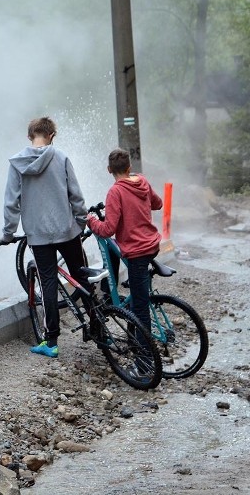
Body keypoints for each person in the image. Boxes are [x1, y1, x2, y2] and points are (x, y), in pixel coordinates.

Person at [0, 116, 89, 358]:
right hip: (68, 231)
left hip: (38, 236)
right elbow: (76, 196)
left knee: (48, 284)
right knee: (82, 277)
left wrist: (8, 233)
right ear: (51, 136)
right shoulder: (61, 158)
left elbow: (11, 203)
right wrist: (80, 222)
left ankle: (51, 343)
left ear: (30, 136)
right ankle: (98, 329)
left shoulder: (17, 163)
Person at [86, 148, 162, 373]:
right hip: (152, 245)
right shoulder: (142, 181)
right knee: (139, 295)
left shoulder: (115, 192)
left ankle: (144, 363)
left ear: (109, 170)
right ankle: (133, 320)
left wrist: (90, 221)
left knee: (140, 310)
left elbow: (108, 229)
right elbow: (157, 204)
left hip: (137, 252)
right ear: (129, 167)